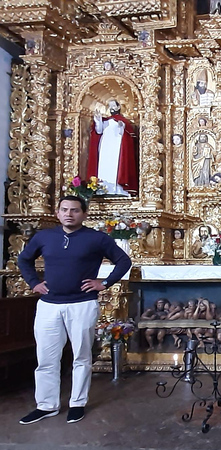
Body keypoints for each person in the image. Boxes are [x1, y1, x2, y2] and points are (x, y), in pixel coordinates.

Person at [16, 195, 132, 425]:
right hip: (49, 306)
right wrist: (33, 283)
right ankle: (46, 405)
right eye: (64, 210)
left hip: (82, 304)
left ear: (84, 214)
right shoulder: (45, 236)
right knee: (46, 358)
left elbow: (124, 261)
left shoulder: (96, 238)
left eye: (75, 210)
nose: (69, 214)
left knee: (81, 356)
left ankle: (77, 403)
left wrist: (104, 283)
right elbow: (24, 260)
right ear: (57, 213)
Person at [87, 99, 138, 196]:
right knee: (104, 167)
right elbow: (98, 131)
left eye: (113, 106)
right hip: (105, 147)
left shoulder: (123, 121)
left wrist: (121, 126)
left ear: (118, 107)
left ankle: (117, 188)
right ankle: (103, 188)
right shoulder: (106, 120)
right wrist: (98, 120)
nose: (111, 108)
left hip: (117, 147)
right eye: (110, 106)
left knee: (116, 167)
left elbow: (126, 133)